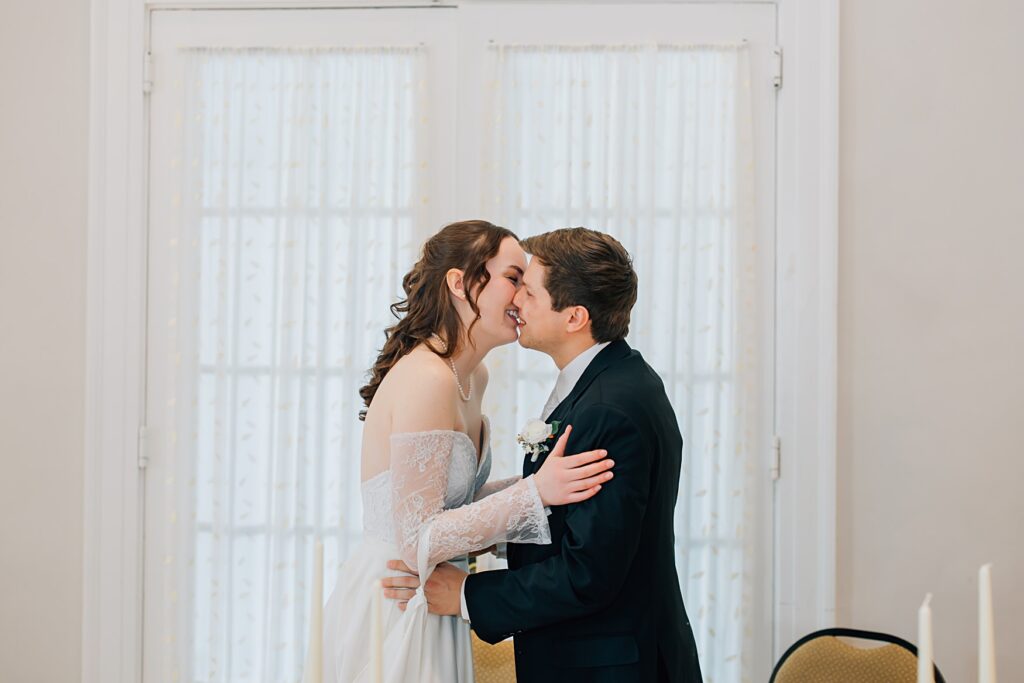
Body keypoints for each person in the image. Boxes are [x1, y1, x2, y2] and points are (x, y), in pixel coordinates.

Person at [384, 228, 703, 682]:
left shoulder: (609, 409)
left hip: (609, 667)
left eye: (529, 291)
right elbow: (567, 520)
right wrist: (517, 502)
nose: (516, 301)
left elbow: (588, 572)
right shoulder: (611, 382)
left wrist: (467, 595)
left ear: (574, 317)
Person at [316, 221, 615, 682]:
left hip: (435, 591)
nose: (519, 297)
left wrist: (538, 485)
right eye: (513, 278)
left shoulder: (475, 378)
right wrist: (534, 493)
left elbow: (449, 502)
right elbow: (416, 538)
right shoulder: (427, 378)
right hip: (398, 595)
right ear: (459, 283)